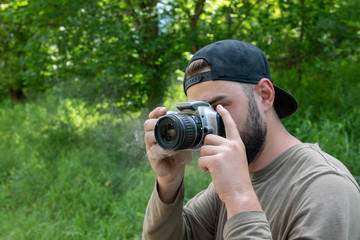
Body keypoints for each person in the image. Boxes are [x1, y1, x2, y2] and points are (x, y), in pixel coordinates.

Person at [142, 40, 360, 239]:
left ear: (265, 95)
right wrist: (168, 184)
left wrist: (239, 197)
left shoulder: (326, 189)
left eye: (218, 106)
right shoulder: (231, 183)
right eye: (198, 114)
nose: (207, 127)